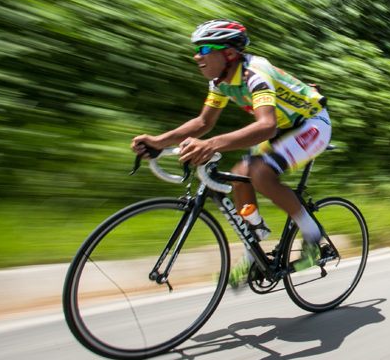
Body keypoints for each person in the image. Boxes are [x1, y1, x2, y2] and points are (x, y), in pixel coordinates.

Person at [131, 20, 330, 287]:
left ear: (229, 52)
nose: (197, 55)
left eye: (205, 48)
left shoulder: (255, 74)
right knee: (239, 175)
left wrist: (211, 145)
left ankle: (313, 235)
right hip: (282, 127)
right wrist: (158, 141)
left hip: (311, 123)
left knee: (259, 172)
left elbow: (266, 127)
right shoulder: (220, 81)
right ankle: (255, 244)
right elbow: (204, 123)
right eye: (197, 49)